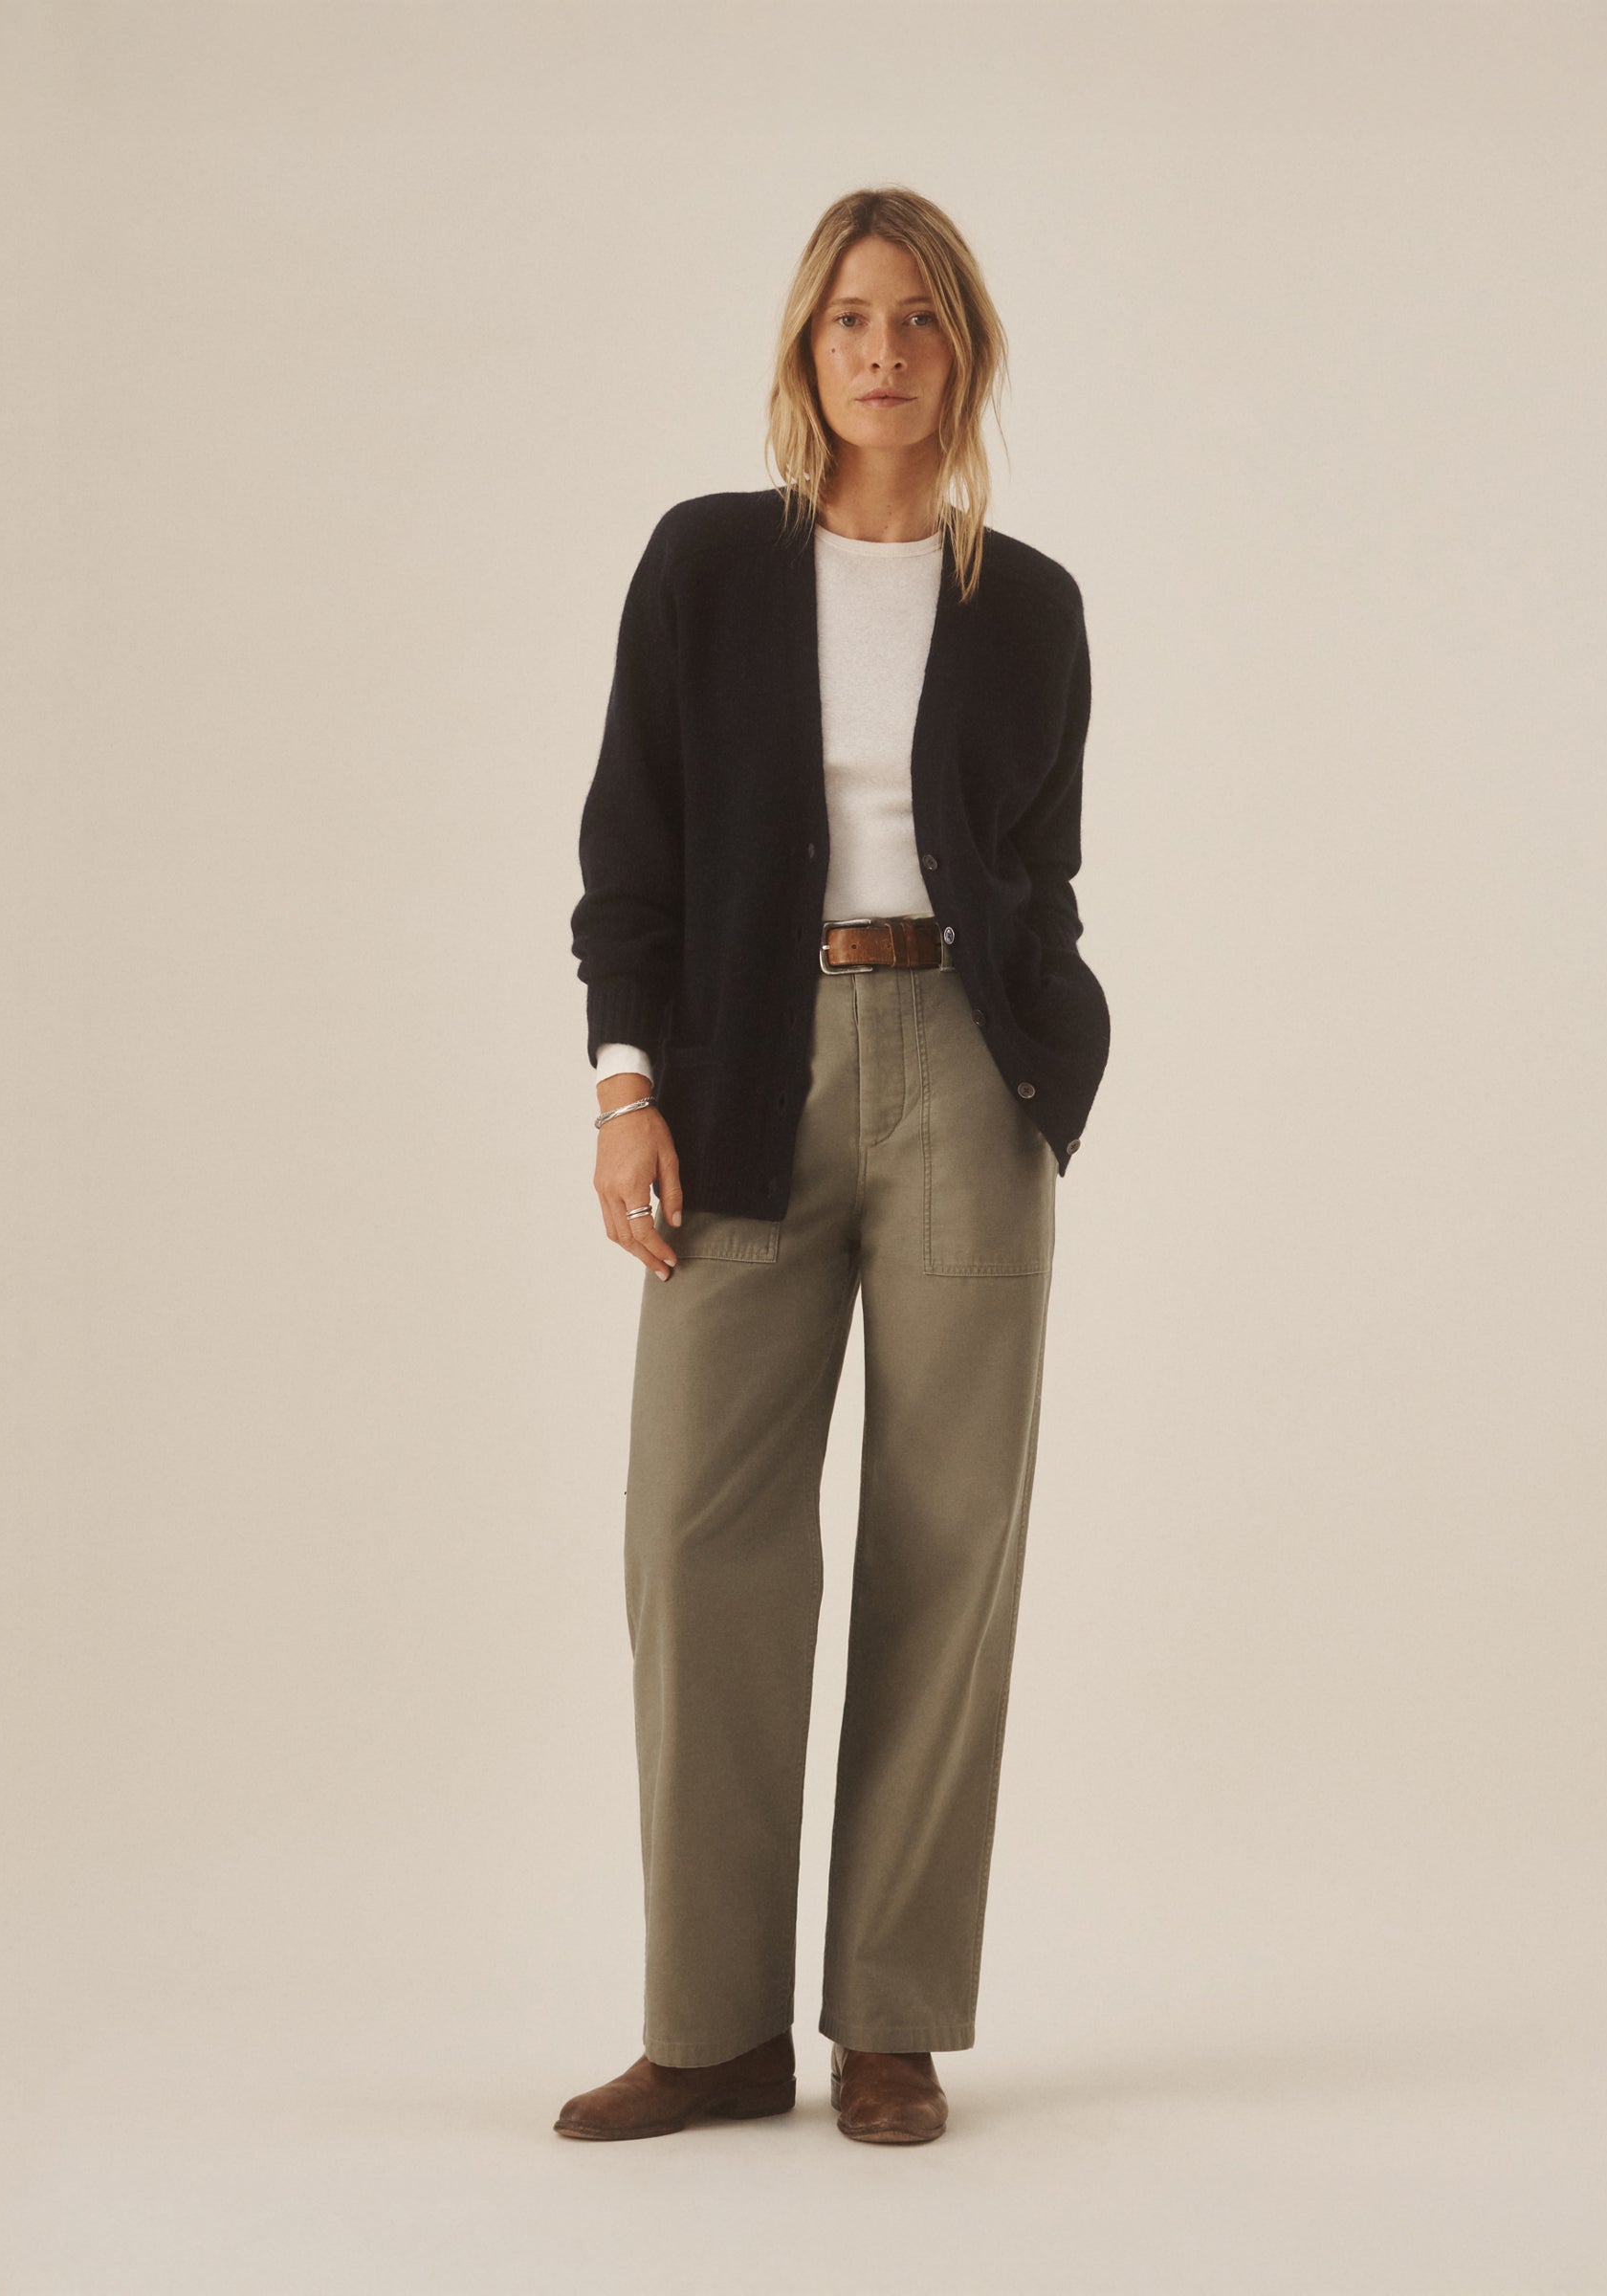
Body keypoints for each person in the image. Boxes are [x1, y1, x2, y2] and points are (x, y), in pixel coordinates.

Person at [554, 186, 1111, 2147]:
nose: (885, 351)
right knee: (695, 1534)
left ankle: (891, 2020)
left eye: (922, 319)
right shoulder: (708, 563)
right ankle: (710, 2032)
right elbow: (631, 847)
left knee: (951, 1540)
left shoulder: (1028, 603)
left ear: (967, 352)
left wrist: (1049, 1053)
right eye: (852, 318)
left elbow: (1038, 865)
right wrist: (627, 1087)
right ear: (806, 347)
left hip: (964, 1066)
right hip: (742, 1070)